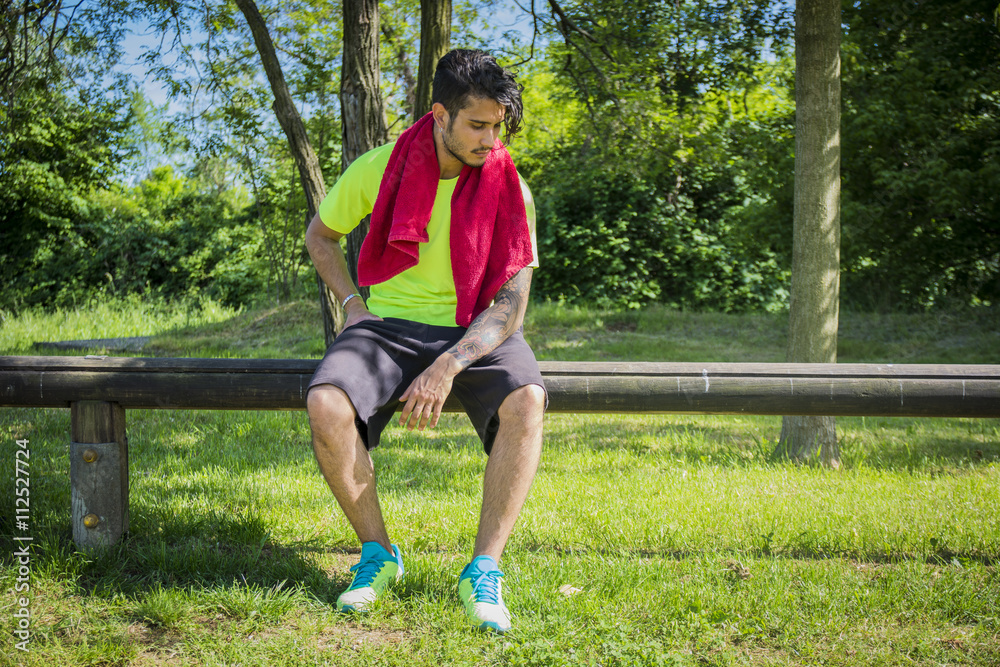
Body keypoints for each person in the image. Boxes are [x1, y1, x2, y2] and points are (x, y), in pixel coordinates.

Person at [304, 49, 546, 634]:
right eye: (477, 125)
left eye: (497, 127)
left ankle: (483, 569)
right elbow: (320, 237)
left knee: (528, 400)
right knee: (326, 402)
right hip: (388, 325)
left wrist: (449, 364)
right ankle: (377, 555)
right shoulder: (378, 168)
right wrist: (353, 306)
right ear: (440, 114)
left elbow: (511, 306)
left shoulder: (512, 188)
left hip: (479, 327)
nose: (490, 140)